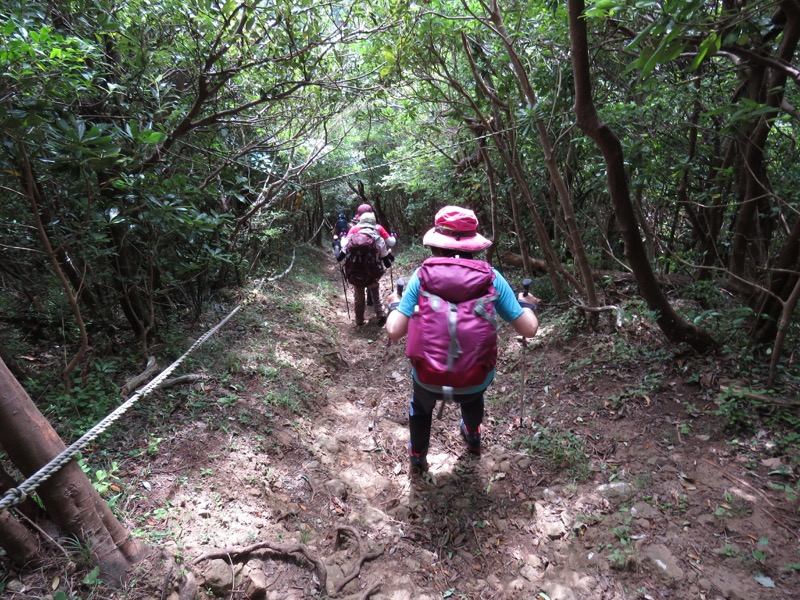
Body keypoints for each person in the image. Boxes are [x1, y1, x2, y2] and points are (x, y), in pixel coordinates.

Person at [385, 206, 539, 472]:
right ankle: (472, 433)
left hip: (428, 377)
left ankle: (417, 454)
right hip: (474, 378)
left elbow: (395, 331)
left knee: (420, 408)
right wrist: (528, 305)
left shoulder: (422, 276)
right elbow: (529, 330)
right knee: (473, 397)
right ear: (474, 244)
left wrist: (394, 306)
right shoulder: (491, 277)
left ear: (436, 243)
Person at [341, 212, 396, 326]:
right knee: (375, 289)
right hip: (372, 274)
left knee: (359, 296)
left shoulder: (352, 238)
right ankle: (380, 312)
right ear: (373, 224)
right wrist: (389, 257)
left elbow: (340, 257)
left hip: (355, 274)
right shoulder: (378, 239)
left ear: (360, 224)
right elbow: (387, 263)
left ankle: (359, 320)